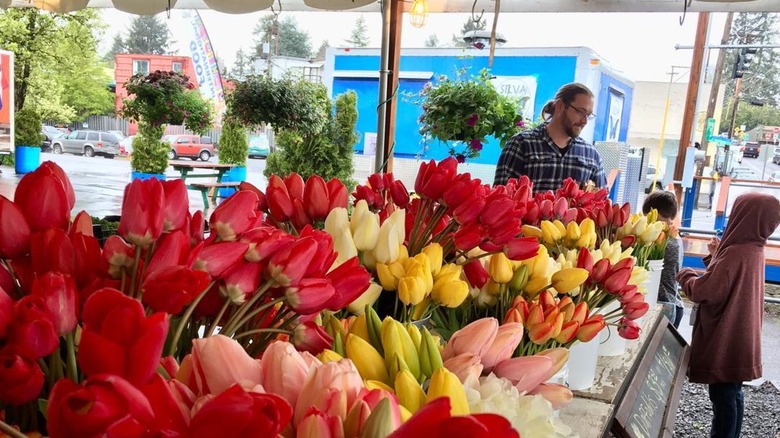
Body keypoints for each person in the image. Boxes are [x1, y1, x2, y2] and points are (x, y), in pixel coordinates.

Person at [676, 193, 780, 438]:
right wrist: (715, 255)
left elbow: (706, 291)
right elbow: (728, 280)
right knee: (733, 393)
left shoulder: (735, 253)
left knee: (722, 396)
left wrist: (685, 275)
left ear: (743, 217)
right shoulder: (754, 247)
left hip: (727, 336)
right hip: (741, 336)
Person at [493, 83, 607, 192]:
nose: (585, 121)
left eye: (588, 115)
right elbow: (501, 198)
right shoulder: (521, 144)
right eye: (580, 112)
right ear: (560, 106)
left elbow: (600, 203)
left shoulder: (592, 156)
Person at [642, 190, 684, 328]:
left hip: (664, 307)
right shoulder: (674, 237)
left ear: (653, 214)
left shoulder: (665, 241)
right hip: (672, 303)